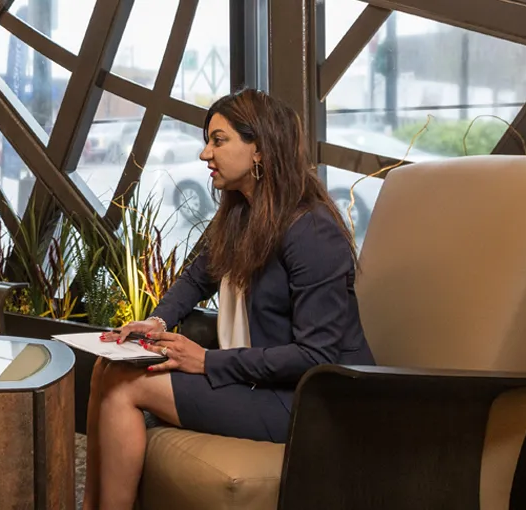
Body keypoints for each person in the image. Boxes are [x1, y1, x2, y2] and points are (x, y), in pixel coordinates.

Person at [81, 89, 375, 510]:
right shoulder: (240, 215)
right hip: (262, 383)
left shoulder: (311, 231)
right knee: (107, 368)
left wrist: (207, 361)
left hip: (309, 403)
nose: (205, 153)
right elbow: (196, 278)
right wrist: (159, 322)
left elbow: (316, 356)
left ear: (259, 148)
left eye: (218, 140)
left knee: (124, 387)